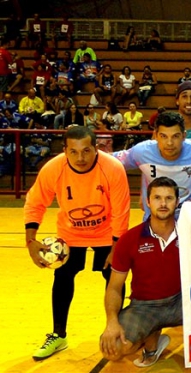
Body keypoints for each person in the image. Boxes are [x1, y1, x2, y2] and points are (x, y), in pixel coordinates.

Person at [24, 125, 130, 361]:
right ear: (65, 150)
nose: (80, 158)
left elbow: (121, 210)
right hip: (71, 233)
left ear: (96, 148)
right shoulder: (54, 168)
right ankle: (58, 335)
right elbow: (35, 202)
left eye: (86, 151)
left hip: (107, 232)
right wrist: (30, 240)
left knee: (113, 278)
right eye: (73, 152)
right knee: (62, 278)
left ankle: (117, 332)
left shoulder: (112, 168)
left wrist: (116, 247)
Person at [99, 176, 181, 367]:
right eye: (157, 198)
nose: (163, 203)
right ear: (147, 201)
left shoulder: (190, 233)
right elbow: (114, 287)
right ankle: (153, 339)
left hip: (181, 301)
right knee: (114, 349)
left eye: (169, 198)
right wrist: (112, 322)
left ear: (177, 202)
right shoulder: (129, 239)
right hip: (144, 307)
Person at [112, 111, 191, 220]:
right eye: (163, 136)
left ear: (184, 136)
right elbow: (108, 160)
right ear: (155, 135)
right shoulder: (141, 152)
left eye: (175, 136)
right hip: (154, 222)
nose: (169, 143)